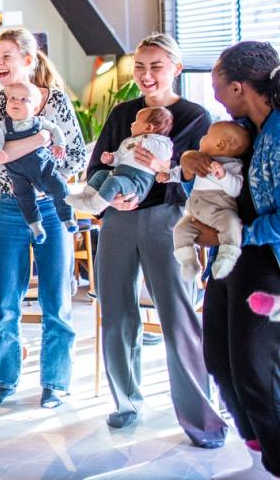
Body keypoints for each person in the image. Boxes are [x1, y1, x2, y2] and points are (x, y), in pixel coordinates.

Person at [87, 32, 227, 447]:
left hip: (169, 220)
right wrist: (114, 200)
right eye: (140, 67)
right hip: (117, 220)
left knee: (178, 319)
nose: (146, 75)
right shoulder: (122, 113)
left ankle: (202, 419)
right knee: (117, 316)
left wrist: (163, 174)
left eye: (156, 67)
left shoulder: (195, 116)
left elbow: (197, 175)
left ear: (176, 69)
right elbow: (98, 166)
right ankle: (125, 402)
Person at [0, 27, 84, 409]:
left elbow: (76, 157)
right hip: (8, 207)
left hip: (51, 208)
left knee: (57, 299)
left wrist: (25, 159)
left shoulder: (56, 101)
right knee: (4, 300)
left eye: (6, 56)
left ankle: (55, 382)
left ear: (27, 59)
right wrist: (39, 142)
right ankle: (4, 380)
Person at [185, 41, 280, 478]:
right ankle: (259, 443)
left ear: (238, 87)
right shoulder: (238, 130)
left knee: (255, 371)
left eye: (217, 85)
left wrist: (236, 235)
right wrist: (191, 162)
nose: (215, 95)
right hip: (230, 259)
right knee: (219, 361)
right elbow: (208, 187)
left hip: (265, 262)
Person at [160, 121, 251, 280]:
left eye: (207, 135)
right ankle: (188, 262)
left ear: (220, 144)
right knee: (179, 230)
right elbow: (183, 171)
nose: (202, 137)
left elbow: (236, 189)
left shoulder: (233, 166)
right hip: (195, 212)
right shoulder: (203, 160)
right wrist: (169, 175)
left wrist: (223, 175)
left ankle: (227, 256)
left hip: (220, 211)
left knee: (231, 224)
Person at [0, 80, 75, 243]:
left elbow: (56, 129)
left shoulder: (39, 122)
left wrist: (60, 144)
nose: (16, 102)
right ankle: (36, 226)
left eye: (23, 100)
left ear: (35, 109)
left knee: (60, 187)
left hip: (44, 168)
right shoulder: (3, 125)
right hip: (18, 174)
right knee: (24, 198)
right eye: (12, 98)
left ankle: (67, 218)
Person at [68, 106, 174, 214]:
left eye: (136, 121)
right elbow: (121, 155)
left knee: (113, 182)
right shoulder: (131, 142)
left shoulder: (160, 142)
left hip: (137, 184)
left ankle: (95, 207)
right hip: (119, 174)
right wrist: (111, 158)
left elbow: (166, 154)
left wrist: (146, 139)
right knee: (100, 174)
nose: (132, 124)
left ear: (148, 128)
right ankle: (86, 196)